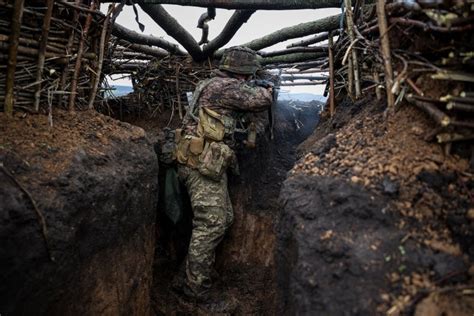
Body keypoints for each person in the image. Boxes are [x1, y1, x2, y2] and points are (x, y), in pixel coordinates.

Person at [173, 46, 273, 301]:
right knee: (212, 223)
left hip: (203, 162)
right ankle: (196, 289)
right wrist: (266, 90)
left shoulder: (213, 83)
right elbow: (261, 100)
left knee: (224, 218)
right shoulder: (224, 87)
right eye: (250, 74)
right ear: (242, 71)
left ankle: (189, 274)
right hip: (200, 164)